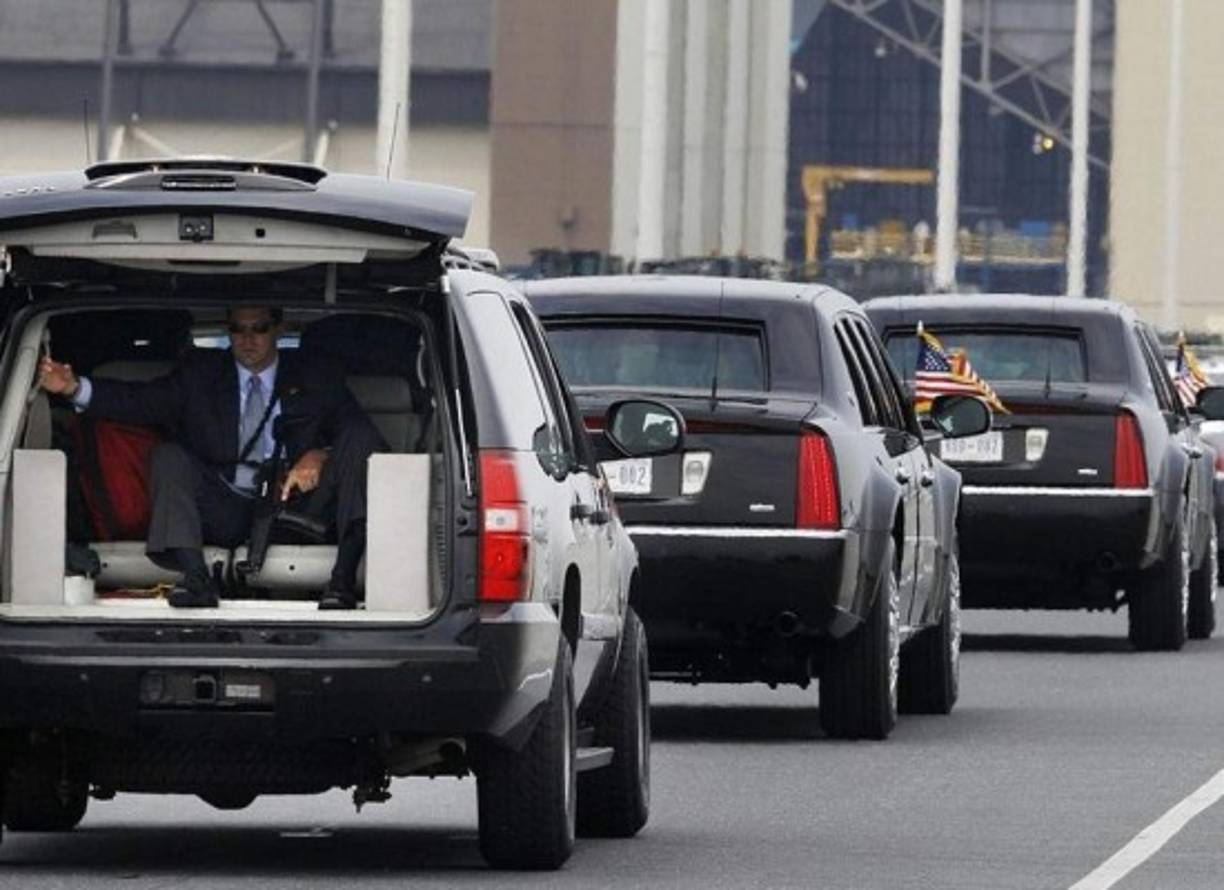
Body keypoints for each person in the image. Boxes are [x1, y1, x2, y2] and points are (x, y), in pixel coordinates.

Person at [38, 306, 385, 610]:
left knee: (359, 440)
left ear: (278, 328)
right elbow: (141, 400)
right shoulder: (201, 372)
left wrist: (320, 455)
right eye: (238, 329)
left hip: (294, 505)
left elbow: (359, 430)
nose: (248, 339)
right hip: (225, 504)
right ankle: (196, 579)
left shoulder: (315, 373)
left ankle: (342, 581)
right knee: (169, 456)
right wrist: (73, 388)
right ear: (228, 330)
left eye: (259, 328)